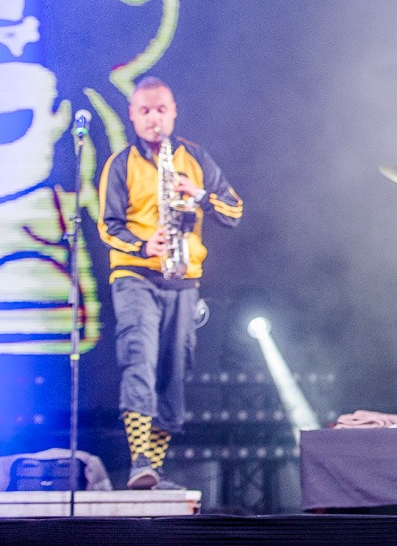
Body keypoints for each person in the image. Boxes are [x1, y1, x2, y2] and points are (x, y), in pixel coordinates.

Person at [98, 77, 243, 490]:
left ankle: (154, 469)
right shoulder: (120, 164)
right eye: (144, 111)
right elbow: (108, 226)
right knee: (139, 358)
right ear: (132, 115)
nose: (154, 119)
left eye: (160, 110)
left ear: (174, 111)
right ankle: (140, 459)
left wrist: (198, 195)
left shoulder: (195, 157)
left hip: (182, 278)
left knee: (173, 372)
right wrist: (144, 245)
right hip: (135, 274)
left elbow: (234, 211)